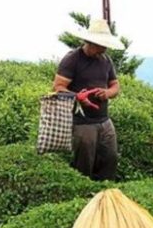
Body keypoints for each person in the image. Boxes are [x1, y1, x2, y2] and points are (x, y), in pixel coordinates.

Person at [52, 19, 123, 181]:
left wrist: (107, 93)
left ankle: (104, 194)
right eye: (101, 45)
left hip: (104, 120)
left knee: (110, 158)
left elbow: (115, 86)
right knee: (84, 163)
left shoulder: (106, 61)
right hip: (82, 123)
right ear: (90, 42)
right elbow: (58, 87)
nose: (104, 49)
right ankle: (83, 196)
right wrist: (78, 97)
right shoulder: (73, 59)